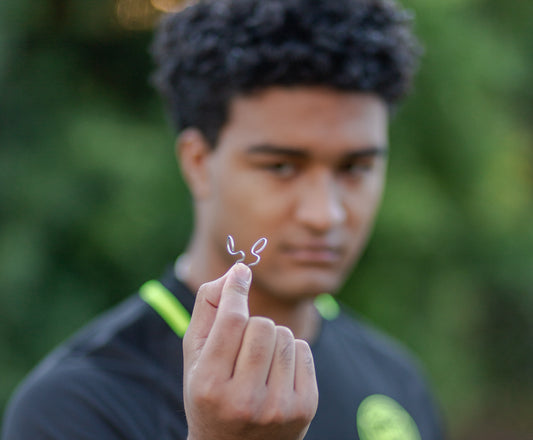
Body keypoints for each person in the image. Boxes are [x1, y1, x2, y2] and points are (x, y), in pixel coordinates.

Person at [2, 0, 445, 439]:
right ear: (197, 162)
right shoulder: (73, 408)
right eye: (281, 167)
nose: (324, 213)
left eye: (354, 168)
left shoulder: (398, 381)